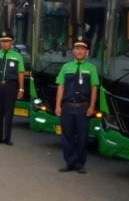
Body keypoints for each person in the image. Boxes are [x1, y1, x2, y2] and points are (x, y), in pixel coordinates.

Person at [55, 35, 98, 174]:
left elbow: (94, 88)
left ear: (87, 52)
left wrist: (92, 106)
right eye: (77, 48)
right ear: (73, 51)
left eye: (82, 49)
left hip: (83, 108)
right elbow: (61, 86)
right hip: (67, 107)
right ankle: (69, 162)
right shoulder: (66, 67)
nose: (79, 51)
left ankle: (80, 163)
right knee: (67, 136)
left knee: (82, 137)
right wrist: (57, 105)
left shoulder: (91, 68)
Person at [0, 31, 25, 145]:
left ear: (11, 42)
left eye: (7, 41)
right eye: (2, 41)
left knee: (8, 113)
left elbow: (20, 73)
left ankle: (7, 138)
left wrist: (21, 89)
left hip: (10, 86)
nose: (5, 43)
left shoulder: (17, 56)